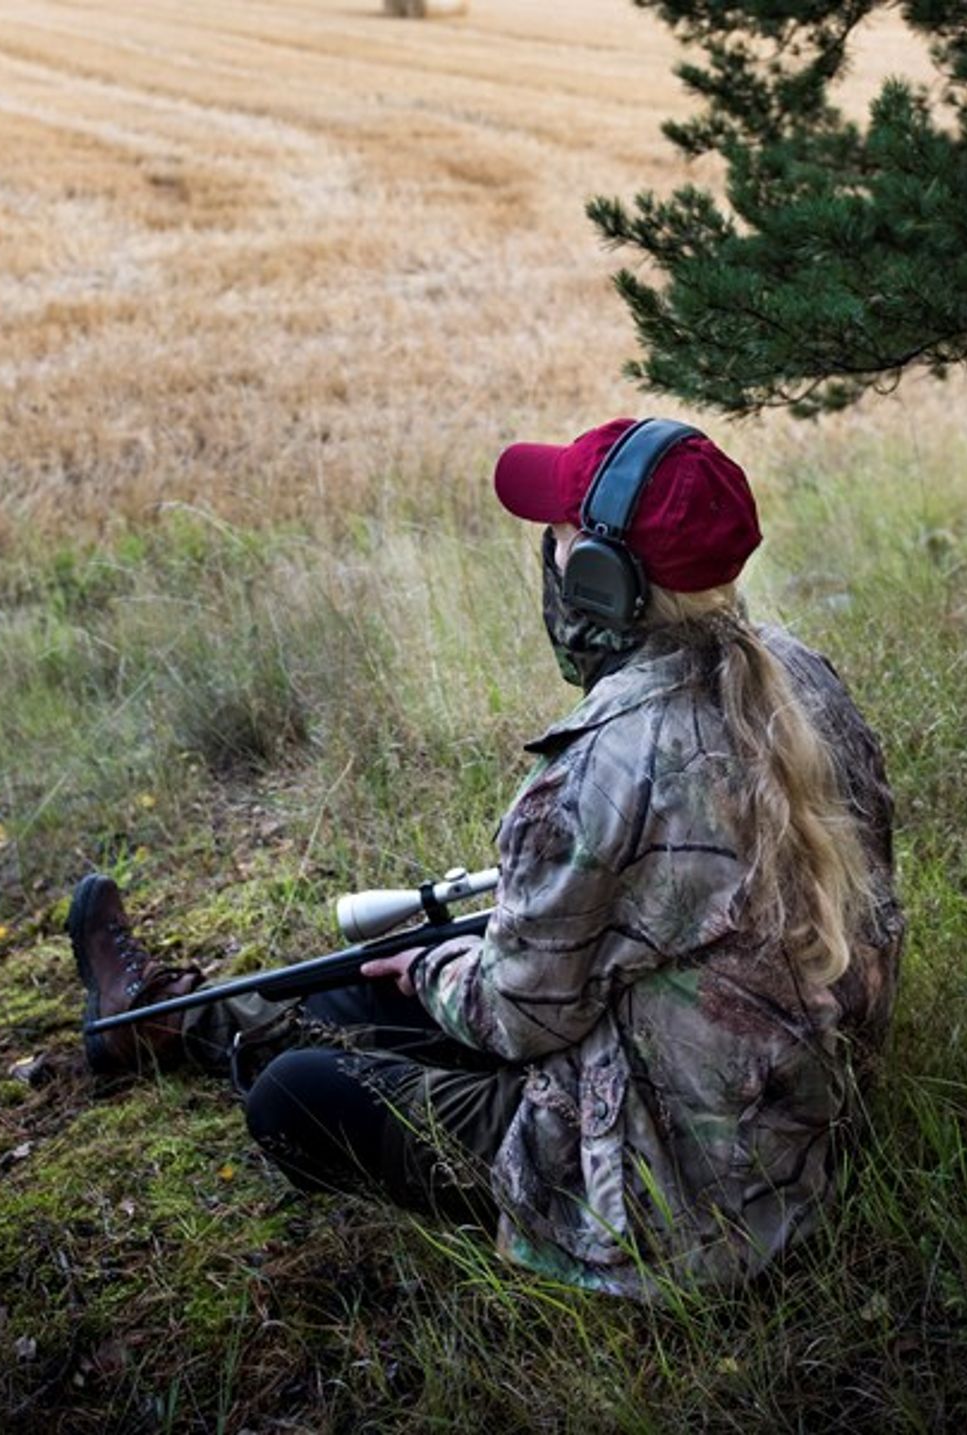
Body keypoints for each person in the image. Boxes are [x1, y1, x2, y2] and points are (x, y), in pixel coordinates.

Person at [69, 417, 903, 1296]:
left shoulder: (597, 770)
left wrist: (438, 967)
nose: (545, 555)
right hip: (799, 1124)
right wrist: (448, 964)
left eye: (560, 539)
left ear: (601, 581)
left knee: (296, 1094)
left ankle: (175, 1026)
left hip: (683, 1206)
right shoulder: (800, 676)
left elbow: (515, 1021)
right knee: (368, 985)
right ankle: (167, 1022)